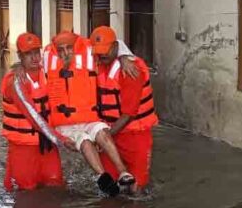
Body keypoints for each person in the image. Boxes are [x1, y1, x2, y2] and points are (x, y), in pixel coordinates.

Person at [44, 31, 135, 195]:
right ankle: (103, 178)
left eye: (69, 48)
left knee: (102, 132)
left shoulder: (88, 50)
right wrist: (18, 68)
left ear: (75, 46)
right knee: (85, 141)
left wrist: (124, 57)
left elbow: (114, 44)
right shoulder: (46, 57)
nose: (65, 53)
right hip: (64, 124)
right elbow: (29, 62)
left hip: (88, 117)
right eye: (61, 50)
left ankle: (123, 172)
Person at [90, 26, 158, 193]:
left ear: (115, 48)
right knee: (109, 187)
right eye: (98, 51)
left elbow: (129, 114)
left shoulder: (131, 70)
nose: (102, 55)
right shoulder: (98, 63)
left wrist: (104, 138)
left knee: (137, 188)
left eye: (105, 50)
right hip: (110, 132)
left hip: (135, 135)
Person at [0, 32, 64, 191]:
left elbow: (73, 50)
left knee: (55, 185)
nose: (35, 58)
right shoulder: (14, 81)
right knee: (26, 191)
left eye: (37, 52)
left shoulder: (48, 72)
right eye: (29, 54)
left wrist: (124, 56)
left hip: (47, 144)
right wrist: (62, 140)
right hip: (24, 147)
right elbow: (33, 117)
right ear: (20, 56)